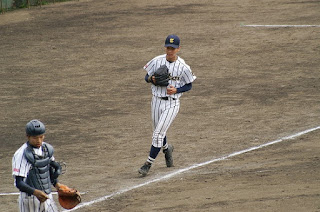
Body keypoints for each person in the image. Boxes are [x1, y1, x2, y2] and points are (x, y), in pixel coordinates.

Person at [138, 34, 196, 176]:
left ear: (178, 49)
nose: (170, 51)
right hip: (156, 101)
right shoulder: (157, 61)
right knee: (158, 131)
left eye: (173, 48)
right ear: (165, 47)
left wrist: (177, 90)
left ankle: (147, 164)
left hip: (172, 104)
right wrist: (151, 79)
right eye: (168, 48)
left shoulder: (183, 67)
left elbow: (189, 85)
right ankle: (167, 148)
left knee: (157, 134)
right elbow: (146, 76)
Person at [12, 119, 62, 212]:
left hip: (47, 195)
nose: (39, 141)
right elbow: (19, 183)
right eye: (35, 138)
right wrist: (35, 192)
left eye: (41, 137)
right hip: (29, 199)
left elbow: (47, 170)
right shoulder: (21, 154)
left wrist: (57, 185)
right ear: (28, 136)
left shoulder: (46, 149)